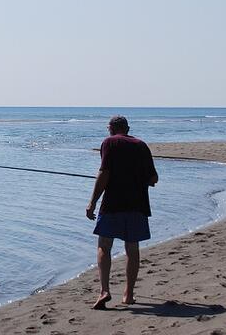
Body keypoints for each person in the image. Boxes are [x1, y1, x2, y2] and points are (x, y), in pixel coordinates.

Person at [86, 115, 158, 309]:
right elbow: (153, 179)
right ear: (127, 128)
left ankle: (104, 291)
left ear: (111, 128)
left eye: (108, 128)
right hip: (138, 206)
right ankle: (128, 294)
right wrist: (140, 180)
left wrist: (92, 202)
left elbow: (104, 173)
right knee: (132, 249)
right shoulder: (141, 145)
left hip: (113, 205)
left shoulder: (109, 142)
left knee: (104, 246)